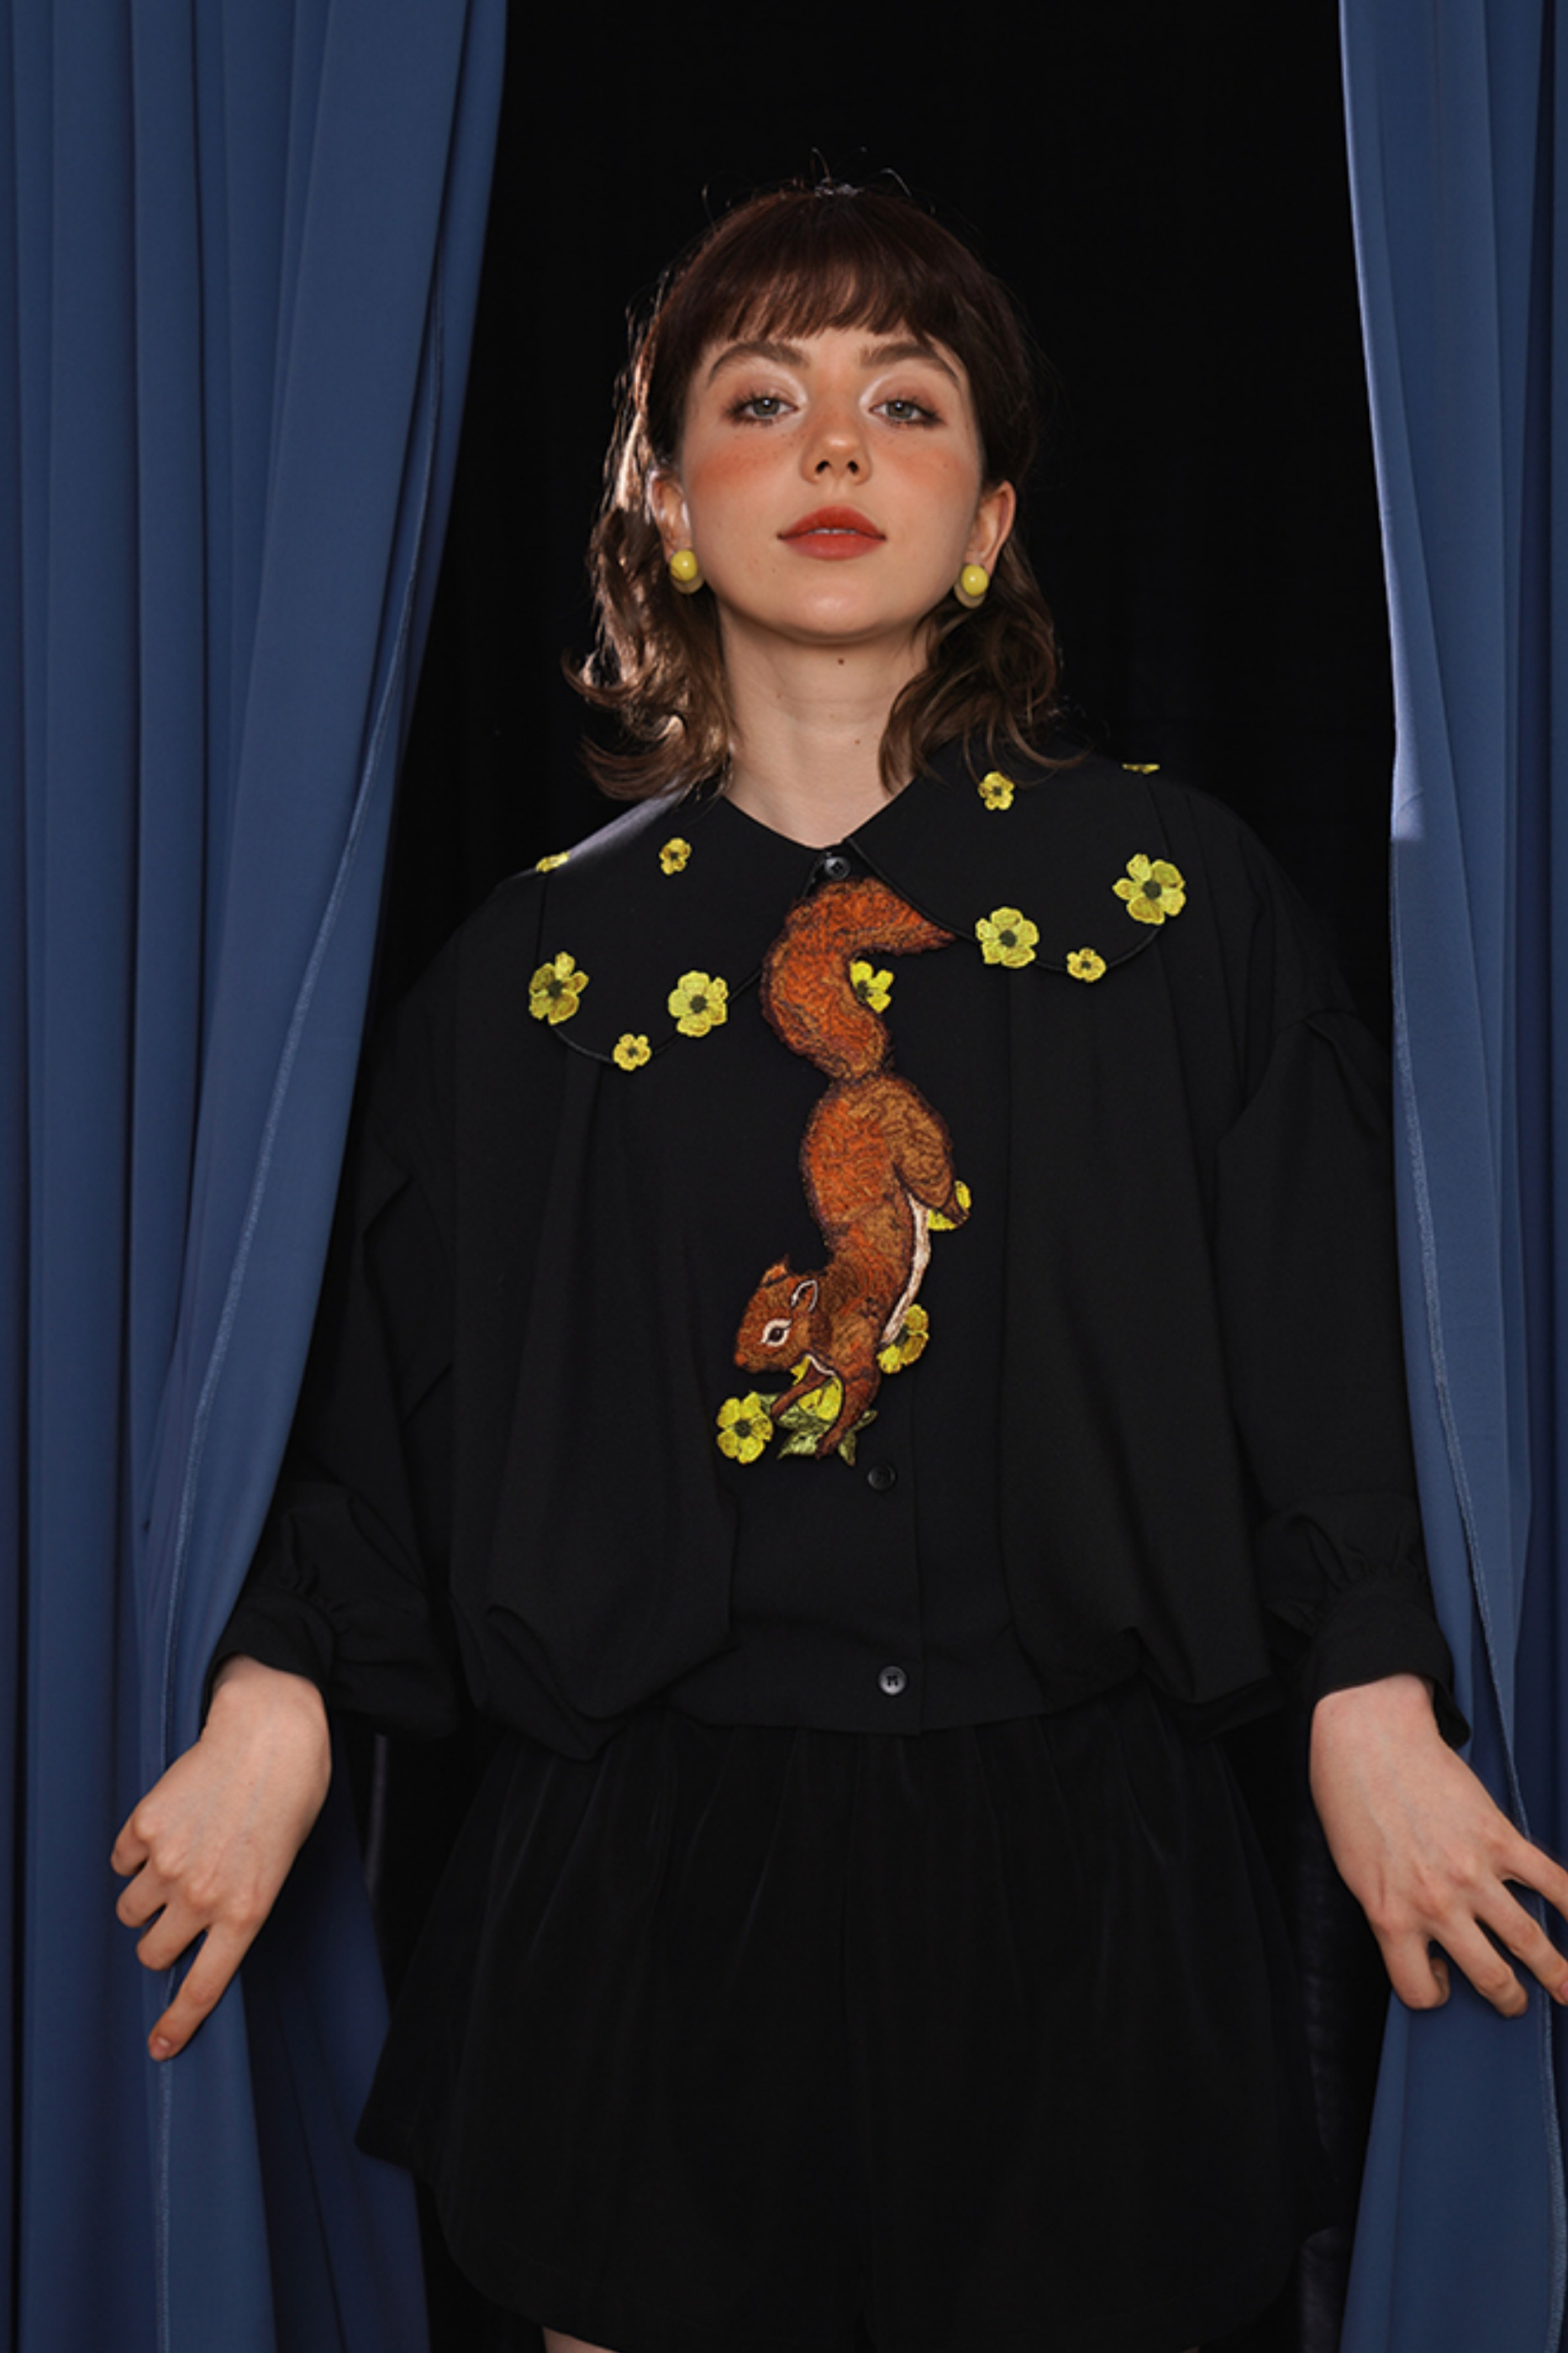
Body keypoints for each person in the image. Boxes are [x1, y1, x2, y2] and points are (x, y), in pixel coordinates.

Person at [113, 181, 1568, 2353]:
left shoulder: (1179, 907)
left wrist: (1373, 1691)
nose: (831, 447)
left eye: (905, 403)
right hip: (647, 1899)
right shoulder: (527, 982)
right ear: (667, 508)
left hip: (1090, 1888)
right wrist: (274, 1698)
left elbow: (1328, 1338)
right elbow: (383, 1411)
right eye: (759, 398)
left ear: (989, 523)